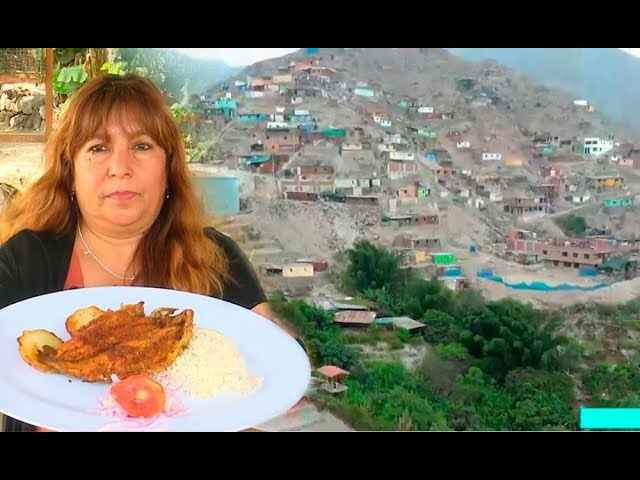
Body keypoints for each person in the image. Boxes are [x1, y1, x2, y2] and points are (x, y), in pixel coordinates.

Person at [0, 73, 303, 432]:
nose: (121, 168)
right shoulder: (25, 259)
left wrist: (284, 371)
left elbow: (265, 366)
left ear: (168, 167)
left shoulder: (215, 257)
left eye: (142, 146)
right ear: (70, 170)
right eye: (98, 148)